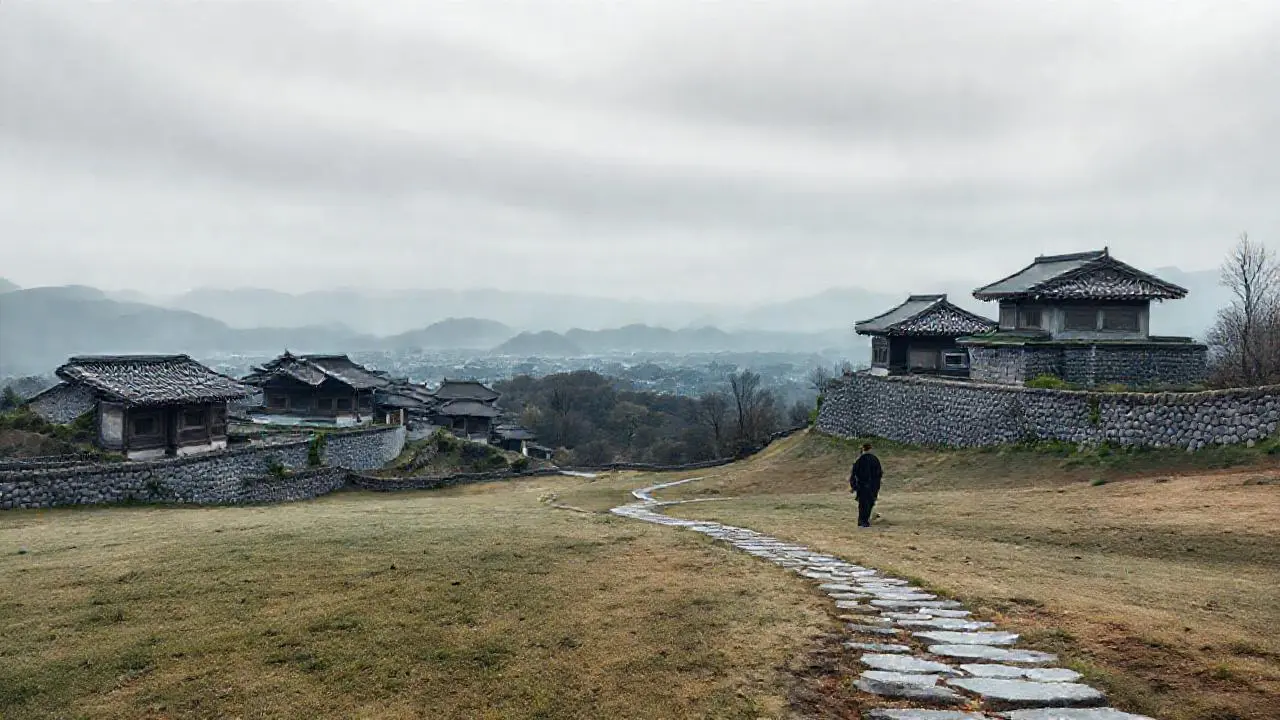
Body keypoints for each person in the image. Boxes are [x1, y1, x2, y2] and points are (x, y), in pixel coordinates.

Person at [849, 442, 883, 528]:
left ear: (863, 449)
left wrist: (853, 486)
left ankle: (862, 521)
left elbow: (854, 474)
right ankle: (864, 521)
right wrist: (877, 486)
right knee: (870, 503)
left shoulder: (859, 460)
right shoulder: (875, 459)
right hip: (872, 486)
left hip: (862, 486)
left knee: (863, 504)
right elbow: (879, 474)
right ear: (870, 449)